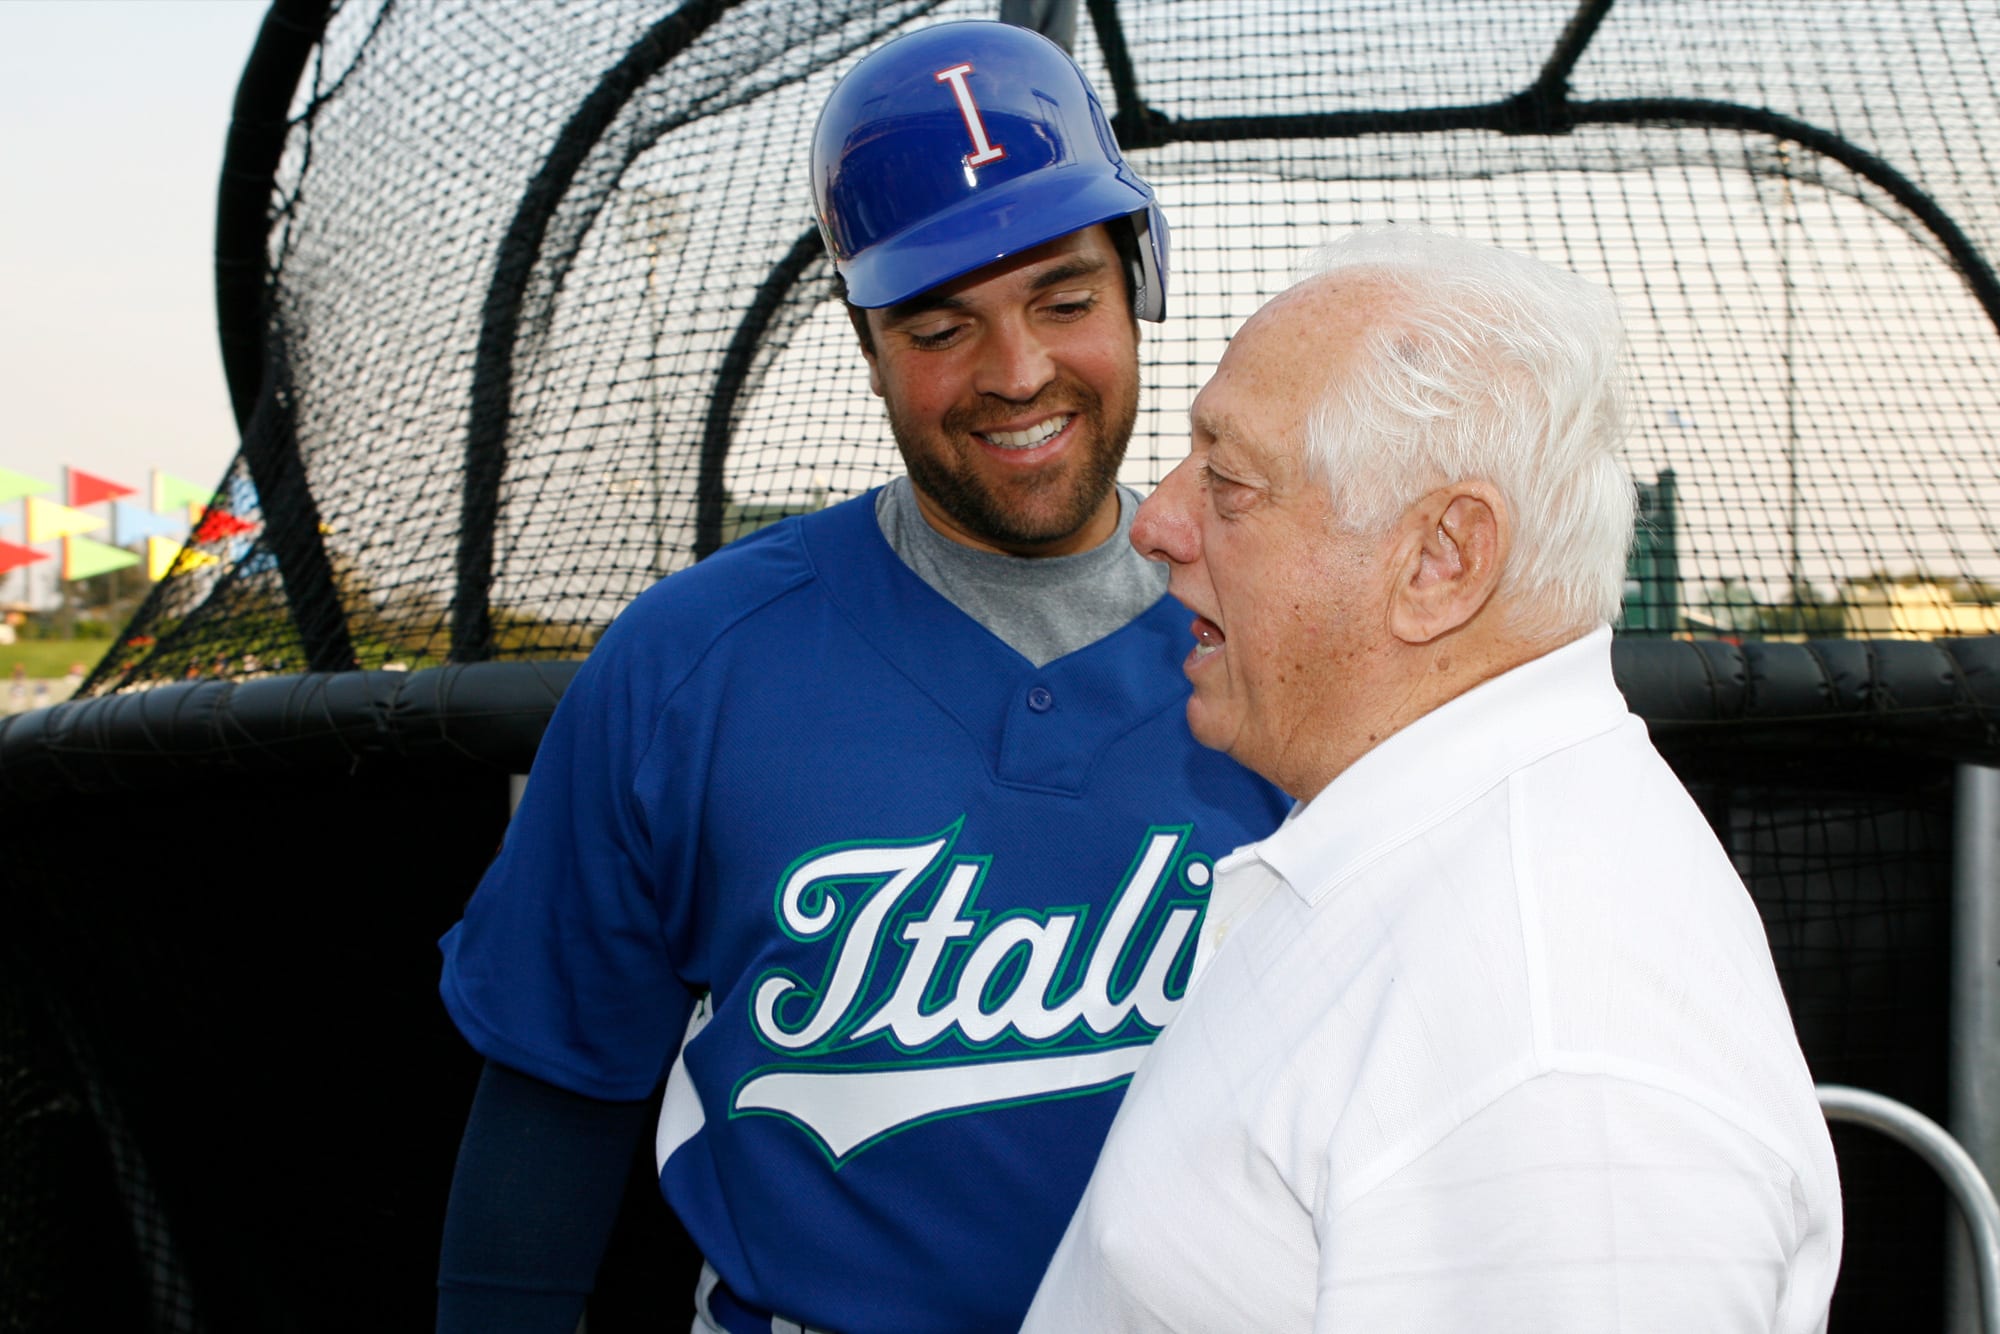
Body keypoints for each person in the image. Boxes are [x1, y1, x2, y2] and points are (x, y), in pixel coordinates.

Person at [434, 21, 1288, 1334]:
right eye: (943, 322)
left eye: (1064, 298)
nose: (1018, 372)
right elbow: (555, 1106)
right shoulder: (684, 664)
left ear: (1138, 280)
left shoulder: (1296, 644)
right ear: (868, 340)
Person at [1026, 225, 1843, 1331]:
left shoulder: (1556, 1053)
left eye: (1227, 478)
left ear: (1440, 559)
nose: (1156, 522)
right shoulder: (1426, 859)